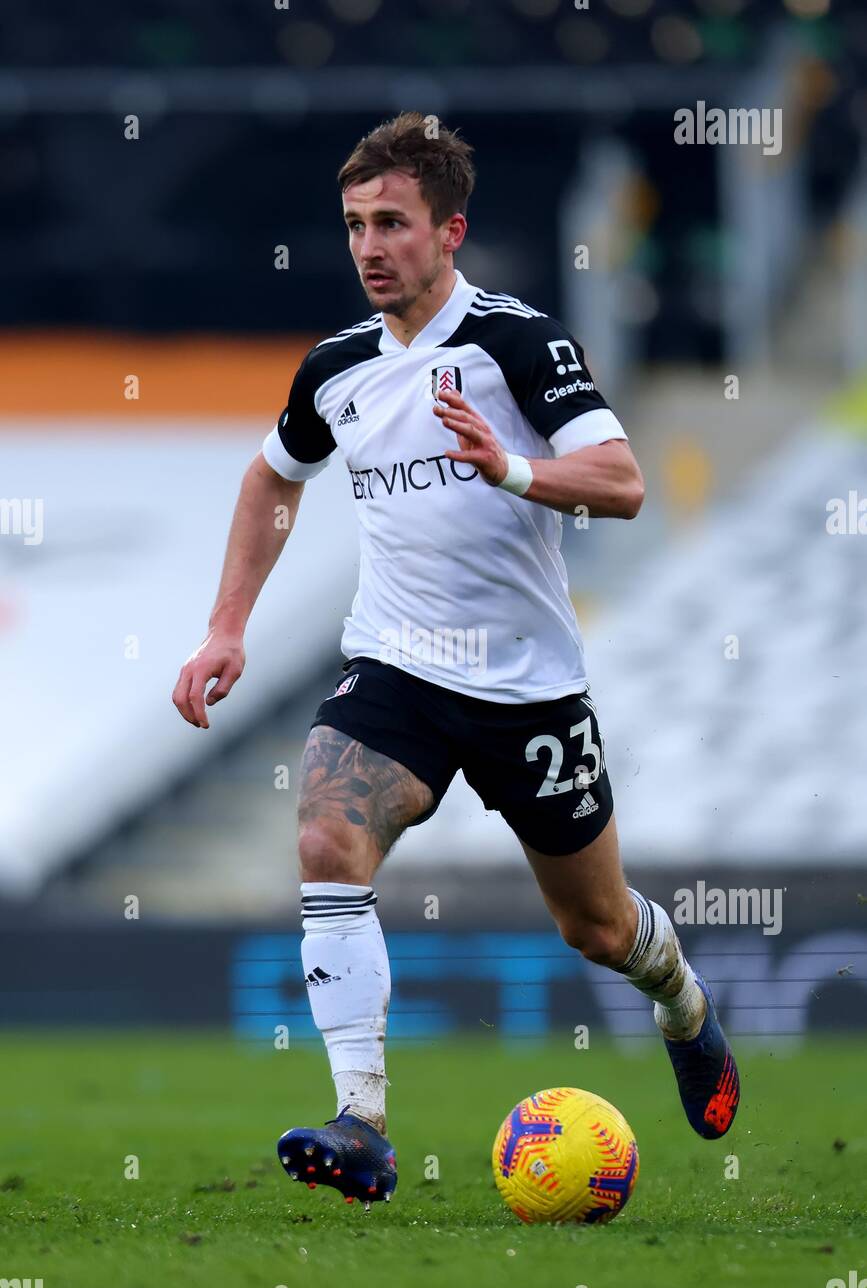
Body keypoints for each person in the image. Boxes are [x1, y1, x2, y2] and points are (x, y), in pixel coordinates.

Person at [172, 112, 739, 1211]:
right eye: (353, 225)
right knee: (326, 831)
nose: (370, 246)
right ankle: (364, 1121)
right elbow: (269, 479)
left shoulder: (518, 345)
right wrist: (227, 627)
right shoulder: (336, 369)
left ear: (451, 231)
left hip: (529, 686)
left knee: (599, 927)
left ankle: (683, 1004)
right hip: (399, 668)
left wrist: (513, 470)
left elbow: (622, 481)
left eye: (393, 222)